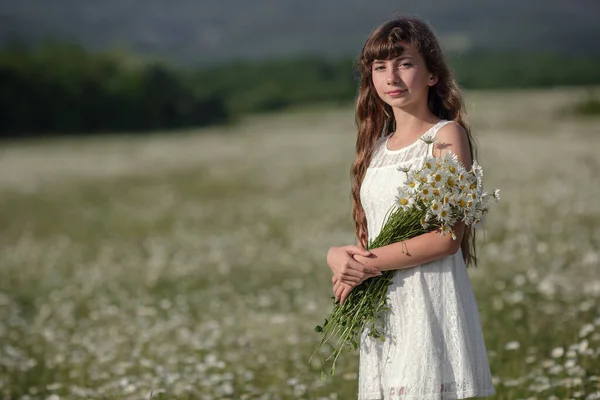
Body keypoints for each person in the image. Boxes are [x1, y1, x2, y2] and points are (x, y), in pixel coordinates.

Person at [325, 16, 496, 399]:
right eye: (380, 67)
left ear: (432, 74)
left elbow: (447, 238)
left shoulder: (445, 135)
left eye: (404, 63)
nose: (392, 77)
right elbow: (372, 233)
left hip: (428, 299)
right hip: (384, 304)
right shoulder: (376, 147)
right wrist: (337, 256)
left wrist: (363, 264)